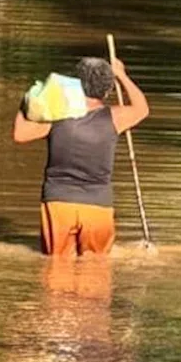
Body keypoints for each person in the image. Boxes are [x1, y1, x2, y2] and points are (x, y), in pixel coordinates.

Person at [12, 55, 150, 256]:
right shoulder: (115, 117)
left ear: (75, 85)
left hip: (59, 203)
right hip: (98, 206)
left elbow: (20, 134)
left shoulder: (55, 116)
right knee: (96, 270)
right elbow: (142, 109)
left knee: (57, 269)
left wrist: (30, 100)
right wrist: (121, 75)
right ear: (108, 89)